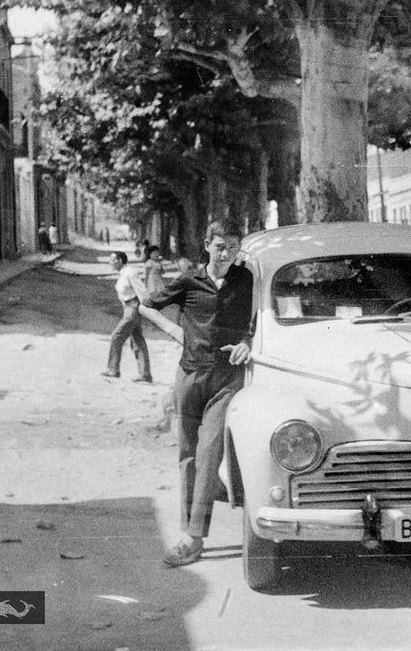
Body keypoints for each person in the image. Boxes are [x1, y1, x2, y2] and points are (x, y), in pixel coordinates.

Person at [137, 219, 253, 567]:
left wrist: (248, 342)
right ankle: (201, 509)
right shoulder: (190, 280)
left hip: (227, 379)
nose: (227, 253)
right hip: (189, 375)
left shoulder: (247, 280)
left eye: (233, 246)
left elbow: (259, 319)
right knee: (188, 453)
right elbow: (146, 305)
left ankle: (193, 537)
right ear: (207, 245)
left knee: (208, 451)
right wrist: (175, 331)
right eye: (220, 246)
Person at [101, 251, 154, 383]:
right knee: (137, 340)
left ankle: (113, 369)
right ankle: (145, 374)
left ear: (119, 261)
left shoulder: (130, 272)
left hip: (133, 308)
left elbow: (141, 290)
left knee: (116, 336)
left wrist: (147, 309)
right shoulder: (123, 273)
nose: (110, 262)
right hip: (128, 308)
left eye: (112, 260)